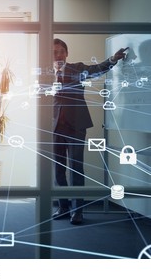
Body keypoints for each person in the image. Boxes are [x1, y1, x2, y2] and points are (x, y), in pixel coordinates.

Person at [51, 38, 127, 225]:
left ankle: (78, 211)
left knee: (76, 169)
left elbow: (96, 70)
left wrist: (112, 59)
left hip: (76, 126)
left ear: (66, 54)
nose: (58, 55)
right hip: (56, 127)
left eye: (61, 51)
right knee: (59, 170)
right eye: (54, 52)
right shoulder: (46, 75)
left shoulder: (76, 69)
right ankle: (63, 207)